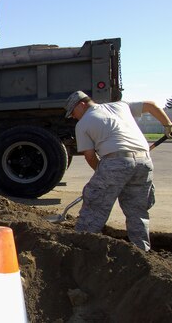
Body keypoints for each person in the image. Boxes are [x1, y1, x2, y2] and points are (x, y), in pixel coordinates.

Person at [64, 90, 172, 251]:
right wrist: (168, 125)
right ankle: (142, 251)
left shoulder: (83, 123)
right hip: (144, 162)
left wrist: (101, 173)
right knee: (137, 211)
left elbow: (90, 156)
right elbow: (151, 105)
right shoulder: (120, 106)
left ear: (82, 104)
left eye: (72, 112)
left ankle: (79, 249)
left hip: (115, 161)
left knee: (95, 206)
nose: (72, 116)